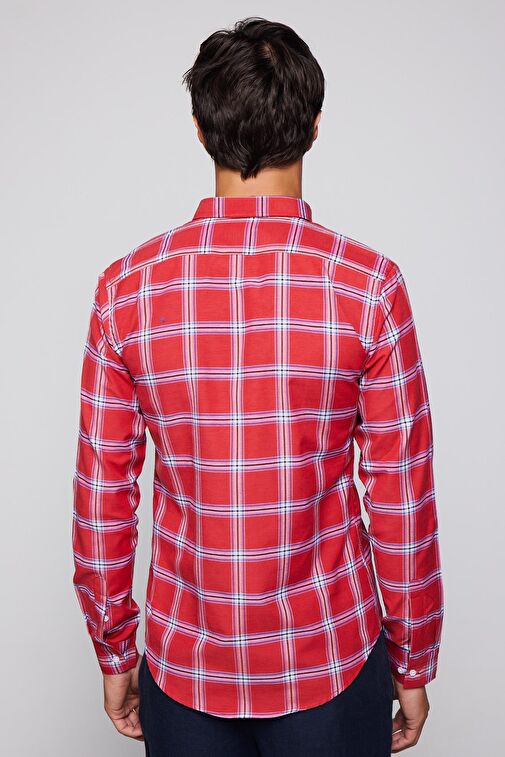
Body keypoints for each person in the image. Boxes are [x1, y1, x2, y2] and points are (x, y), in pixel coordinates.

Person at [71, 16, 444, 756]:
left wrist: (114, 651)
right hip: (332, 662)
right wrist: (413, 663)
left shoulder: (127, 289)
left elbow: (102, 492)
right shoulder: (368, 287)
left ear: (200, 129)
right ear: (314, 124)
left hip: (184, 664)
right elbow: (401, 497)